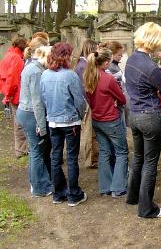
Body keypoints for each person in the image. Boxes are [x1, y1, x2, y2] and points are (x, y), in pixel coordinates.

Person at [125, 22, 161, 218]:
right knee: (150, 162)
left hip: (134, 115)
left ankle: (132, 196)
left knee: (138, 157)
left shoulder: (130, 60)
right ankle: (146, 208)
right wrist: (158, 92)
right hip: (150, 116)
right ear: (155, 41)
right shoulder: (151, 68)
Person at [40, 42, 88, 207]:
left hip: (53, 121)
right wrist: (80, 115)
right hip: (70, 121)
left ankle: (58, 193)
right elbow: (80, 101)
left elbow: (43, 98)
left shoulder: (45, 75)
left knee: (56, 156)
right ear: (66, 56)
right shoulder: (70, 75)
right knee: (72, 158)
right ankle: (74, 194)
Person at [84, 47, 128, 197]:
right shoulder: (107, 79)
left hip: (97, 119)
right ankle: (118, 187)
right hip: (111, 120)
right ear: (106, 62)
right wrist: (115, 100)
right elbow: (122, 98)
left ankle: (105, 187)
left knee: (104, 151)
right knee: (121, 151)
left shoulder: (88, 76)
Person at [17, 45, 52, 197]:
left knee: (33, 151)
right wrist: (42, 126)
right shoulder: (37, 72)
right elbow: (37, 101)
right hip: (31, 114)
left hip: (24, 111)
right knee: (37, 151)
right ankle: (40, 188)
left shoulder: (29, 66)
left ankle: (35, 183)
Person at [0, 37, 29, 158]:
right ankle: (21, 150)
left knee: (17, 122)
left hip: (10, 92)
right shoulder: (17, 58)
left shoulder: (8, 55)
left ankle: (20, 149)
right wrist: (9, 94)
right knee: (20, 122)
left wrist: (6, 94)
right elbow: (13, 79)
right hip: (16, 93)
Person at [75, 39, 100, 169]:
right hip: (87, 103)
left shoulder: (81, 64)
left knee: (91, 132)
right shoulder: (83, 66)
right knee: (88, 133)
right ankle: (89, 160)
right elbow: (86, 86)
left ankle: (93, 157)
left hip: (87, 101)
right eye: (96, 49)